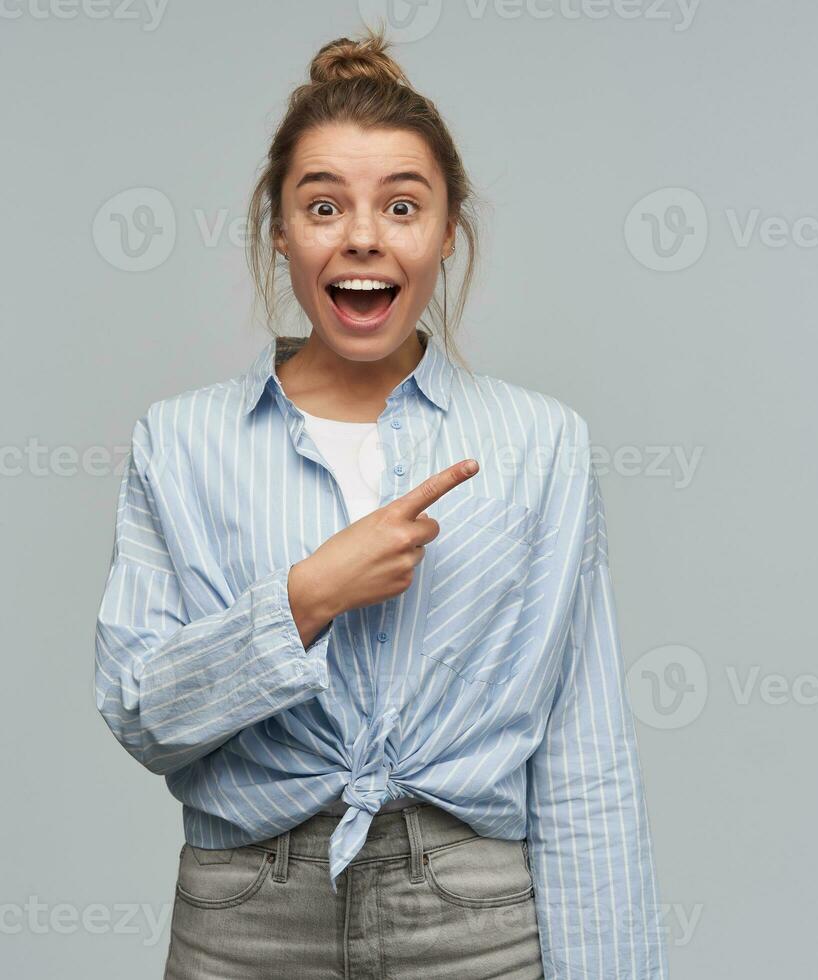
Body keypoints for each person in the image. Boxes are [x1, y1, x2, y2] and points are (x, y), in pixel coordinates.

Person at [92, 25, 667, 979]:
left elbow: (584, 751)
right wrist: (305, 598)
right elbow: (144, 712)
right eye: (324, 206)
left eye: (403, 206)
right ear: (280, 230)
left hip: (474, 920)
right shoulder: (181, 442)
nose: (362, 235)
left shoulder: (539, 443)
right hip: (246, 914)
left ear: (447, 231)